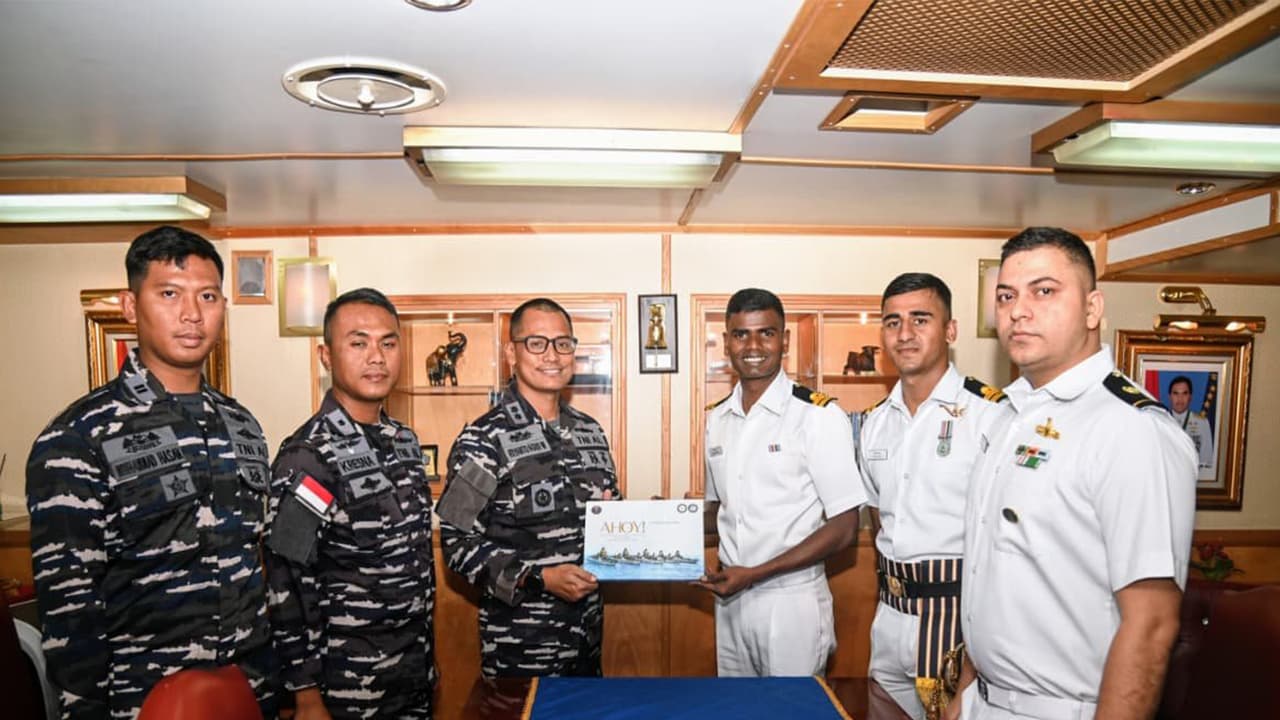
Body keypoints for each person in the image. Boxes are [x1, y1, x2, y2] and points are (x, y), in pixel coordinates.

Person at [26, 225, 276, 718]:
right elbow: (69, 606)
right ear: (128, 305)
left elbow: (254, 560)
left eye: (207, 296)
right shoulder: (79, 437)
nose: (191, 314)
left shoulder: (241, 425)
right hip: (140, 698)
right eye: (169, 294)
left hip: (249, 691)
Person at [947, 227, 1196, 720]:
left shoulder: (1128, 430)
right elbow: (992, 574)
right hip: (986, 703)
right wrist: (966, 695)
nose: (1019, 310)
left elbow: (1151, 624)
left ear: (1092, 308)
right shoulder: (1008, 416)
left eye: (1044, 291)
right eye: (1006, 295)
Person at [263, 288, 437, 718]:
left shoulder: (404, 442)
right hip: (345, 688)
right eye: (358, 343)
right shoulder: (309, 455)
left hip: (412, 675)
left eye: (388, 343)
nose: (376, 357)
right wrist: (305, 694)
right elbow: (286, 580)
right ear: (326, 356)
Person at [437, 297, 619, 677]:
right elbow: (457, 545)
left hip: (586, 641)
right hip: (520, 648)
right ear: (511, 353)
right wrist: (538, 578)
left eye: (562, 343)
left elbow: (610, 518)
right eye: (536, 343)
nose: (552, 355)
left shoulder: (590, 432)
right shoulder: (482, 440)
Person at [858, 273, 1007, 719]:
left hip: (959, 620)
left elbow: (1003, 543)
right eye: (893, 322)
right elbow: (880, 520)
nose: (905, 334)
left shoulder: (990, 417)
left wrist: (975, 664)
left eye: (920, 319)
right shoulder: (875, 423)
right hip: (889, 615)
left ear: (950, 330)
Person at [697, 288, 865, 677]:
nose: (753, 345)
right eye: (741, 334)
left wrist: (754, 574)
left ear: (784, 340)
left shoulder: (818, 416)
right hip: (730, 597)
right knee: (737, 711)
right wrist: (662, 520)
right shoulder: (717, 419)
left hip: (791, 603)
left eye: (766, 333)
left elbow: (844, 528)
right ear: (726, 343)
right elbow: (719, 511)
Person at [1167, 375, 1216, 478]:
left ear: (1190, 397)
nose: (1180, 399)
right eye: (1175, 393)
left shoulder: (1202, 423)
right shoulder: (1161, 421)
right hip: (1167, 478)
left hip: (1193, 478)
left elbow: (1206, 460)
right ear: (1169, 396)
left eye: (1184, 393)